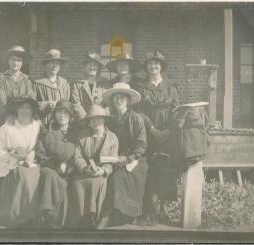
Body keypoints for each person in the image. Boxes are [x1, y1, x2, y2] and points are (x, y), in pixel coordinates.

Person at [0, 46, 36, 195]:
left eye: (19, 60)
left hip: (23, 124)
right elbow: (2, 104)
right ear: (8, 61)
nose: (15, 63)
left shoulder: (27, 81)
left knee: (22, 157)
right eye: (13, 59)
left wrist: (22, 112)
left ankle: (16, 195)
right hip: (5, 122)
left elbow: (31, 101)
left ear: (22, 63)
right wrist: (18, 108)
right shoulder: (1, 79)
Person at [135, 50, 180, 224]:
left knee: (166, 170)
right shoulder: (141, 86)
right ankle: (148, 210)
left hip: (168, 133)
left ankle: (163, 210)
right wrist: (152, 128)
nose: (153, 66)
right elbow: (138, 110)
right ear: (146, 67)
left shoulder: (171, 86)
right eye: (150, 64)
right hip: (148, 131)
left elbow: (176, 109)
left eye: (157, 63)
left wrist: (168, 130)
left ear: (161, 66)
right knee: (148, 169)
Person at [96, 82, 148, 228]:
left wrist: (128, 158)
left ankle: (114, 214)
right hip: (114, 157)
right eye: (116, 97)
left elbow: (142, 144)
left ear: (128, 101)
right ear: (112, 100)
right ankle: (106, 212)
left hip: (135, 159)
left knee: (118, 176)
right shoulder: (110, 120)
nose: (119, 101)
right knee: (106, 174)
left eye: (122, 98)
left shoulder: (136, 118)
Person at [0, 96, 42, 228]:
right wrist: (13, 156)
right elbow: (0, 149)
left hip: (32, 159)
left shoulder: (37, 125)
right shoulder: (7, 127)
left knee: (36, 173)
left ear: (32, 110)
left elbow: (39, 146)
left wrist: (30, 156)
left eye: (28, 108)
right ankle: (19, 215)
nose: (25, 111)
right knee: (22, 174)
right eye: (21, 107)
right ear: (16, 110)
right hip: (9, 160)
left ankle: (34, 215)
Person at [67, 104, 118, 229]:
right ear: (88, 122)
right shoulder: (82, 136)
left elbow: (112, 160)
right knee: (77, 183)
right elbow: (77, 156)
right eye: (92, 119)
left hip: (100, 173)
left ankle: (93, 217)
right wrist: (85, 168)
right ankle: (80, 218)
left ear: (104, 119)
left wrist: (103, 170)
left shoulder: (112, 138)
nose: (95, 122)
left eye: (98, 118)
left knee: (96, 183)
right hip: (83, 172)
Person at [35, 100, 77, 228]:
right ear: (55, 114)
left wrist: (69, 167)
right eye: (59, 112)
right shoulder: (47, 131)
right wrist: (55, 165)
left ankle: (56, 219)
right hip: (50, 168)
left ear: (70, 116)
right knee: (49, 176)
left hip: (70, 170)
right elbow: (40, 154)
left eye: (65, 113)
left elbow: (80, 154)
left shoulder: (76, 133)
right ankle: (48, 215)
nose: (62, 116)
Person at [70, 52, 111, 121]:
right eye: (89, 64)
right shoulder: (77, 84)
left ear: (98, 67)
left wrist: (103, 117)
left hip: (101, 121)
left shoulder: (105, 84)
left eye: (95, 65)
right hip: (83, 122)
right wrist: (86, 120)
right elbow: (76, 104)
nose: (92, 67)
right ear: (84, 67)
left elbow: (109, 103)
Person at [34, 49, 70, 126]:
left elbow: (68, 104)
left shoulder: (64, 83)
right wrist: (47, 104)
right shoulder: (37, 83)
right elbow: (32, 105)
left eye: (57, 63)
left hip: (61, 123)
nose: (55, 66)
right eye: (52, 63)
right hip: (44, 122)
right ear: (46, 64)